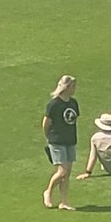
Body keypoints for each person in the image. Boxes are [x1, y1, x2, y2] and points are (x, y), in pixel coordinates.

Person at [42, 75, 79, 210]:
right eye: (73, 86)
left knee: (67, 173)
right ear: (66, 87)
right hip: (57, 141)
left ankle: (63, 201)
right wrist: (49, 137)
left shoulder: (73, 103)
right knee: (62, 171)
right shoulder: (54, 104)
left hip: (70, 140)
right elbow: (46, 123)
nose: (75, 88)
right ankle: (48, 191)